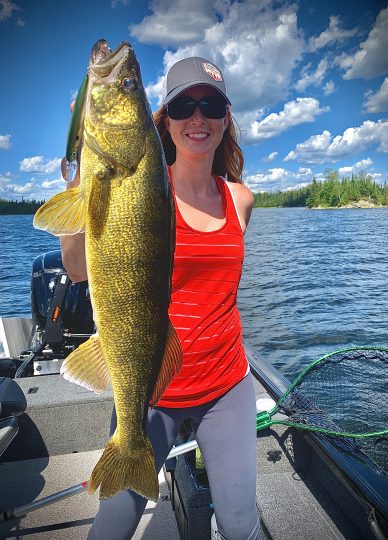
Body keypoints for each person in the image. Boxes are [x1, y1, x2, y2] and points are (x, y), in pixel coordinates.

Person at [61, 56, 259, 540]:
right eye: (183, 105)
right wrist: (77, 180)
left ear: (225, 117)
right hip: (152, 385)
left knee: (239, 522)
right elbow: (78, 269)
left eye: (210, 105)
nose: (198, 118)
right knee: (112, 524)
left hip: (225, 383)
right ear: (164, 119)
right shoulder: (142, 185)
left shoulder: (240, 199)